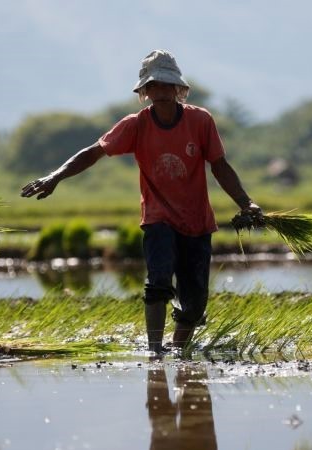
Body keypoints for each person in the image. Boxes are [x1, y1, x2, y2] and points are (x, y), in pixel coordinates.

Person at [21, 49, 261, 353]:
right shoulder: (136, 125)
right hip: (158, 218)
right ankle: (154, 350)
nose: (160, 92)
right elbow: (93, 152)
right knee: (158, 280)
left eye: (166, 86)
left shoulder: (200, 121)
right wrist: (55, 176)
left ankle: (179, 350)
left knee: (195, 301)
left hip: (197, 221)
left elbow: (220, 166)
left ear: (178, 89)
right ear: (144, 92)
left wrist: (246, 203)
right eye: (153, 87)